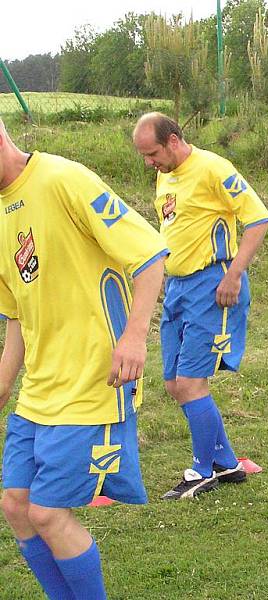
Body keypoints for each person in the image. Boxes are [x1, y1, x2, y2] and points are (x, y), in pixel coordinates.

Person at [0, 117, 167, 599]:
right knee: (16, 505)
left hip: (94, 382)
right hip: (39, 391)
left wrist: (135, 337)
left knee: (48, 513)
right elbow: (16, 317)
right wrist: (3, 385)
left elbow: (150, 255)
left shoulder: (62, 179)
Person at [132, 113, 268, 500]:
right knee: (175, 384)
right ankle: (225, 462)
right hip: (177, 289)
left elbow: (258, 220)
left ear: (174, 140)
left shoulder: (213, 167)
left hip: (212, 285)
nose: (149, 162)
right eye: (144, 156)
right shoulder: (165, 176)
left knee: (193, 382)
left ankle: (200, 471)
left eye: (153, 153)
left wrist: (234, 274)